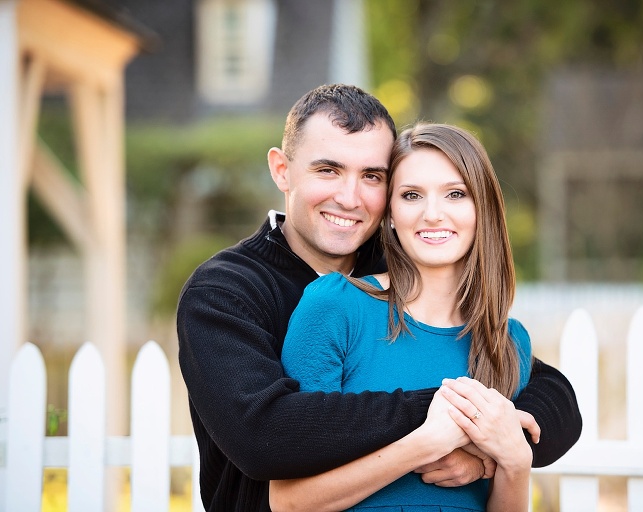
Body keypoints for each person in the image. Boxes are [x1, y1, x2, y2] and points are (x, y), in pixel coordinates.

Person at [177, 84, 582, 512]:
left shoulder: (410, 267)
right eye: (328, 170)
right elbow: (263, 436)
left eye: (371, 176)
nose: (349, 198)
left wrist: (490, 452)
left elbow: (546, 389)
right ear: (282, 170)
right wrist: (451, 414)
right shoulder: (225, 293)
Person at [272, 123, 534, 511]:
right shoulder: (337, 307)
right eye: (411, 195)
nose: (432, 214)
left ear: (483, 208)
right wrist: (425, 443)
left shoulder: (507, 341)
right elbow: (289, 502)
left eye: (455, 194)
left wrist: (515, 462)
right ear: (391, 213)